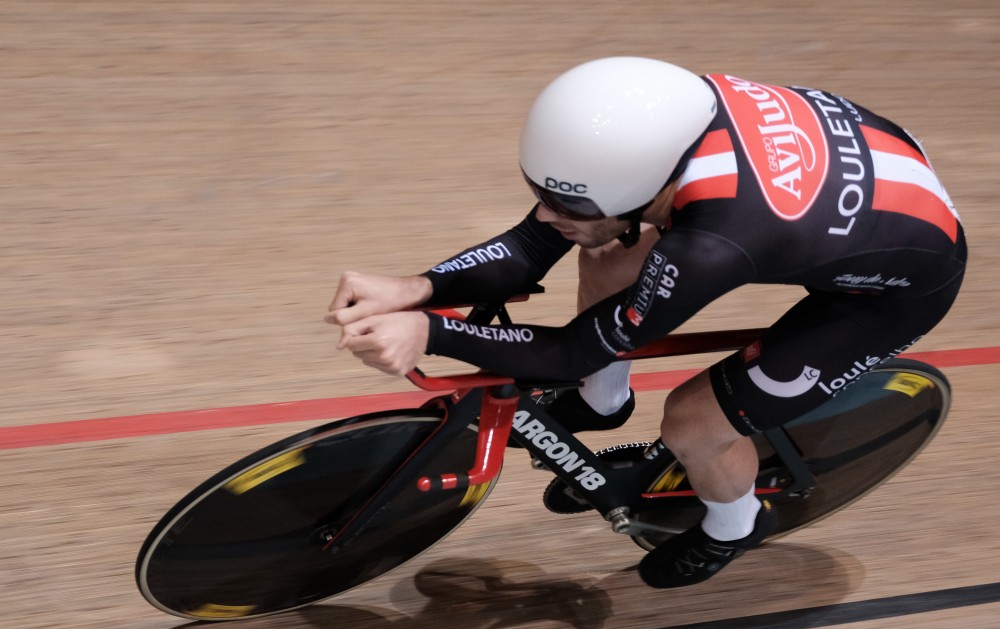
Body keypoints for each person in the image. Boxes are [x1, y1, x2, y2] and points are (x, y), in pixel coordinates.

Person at [325, 57, 966, 588]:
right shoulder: (656, 117)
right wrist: (418, 287)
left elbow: (574, 347)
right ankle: (604, 404)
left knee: (695, 421)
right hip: (851, 201)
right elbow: (533, 245)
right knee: (604, 245)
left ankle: (735, 525)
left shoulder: (713, 244)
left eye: (567, 203)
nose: (547, 216)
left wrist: (432, 331)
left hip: (894, 290)